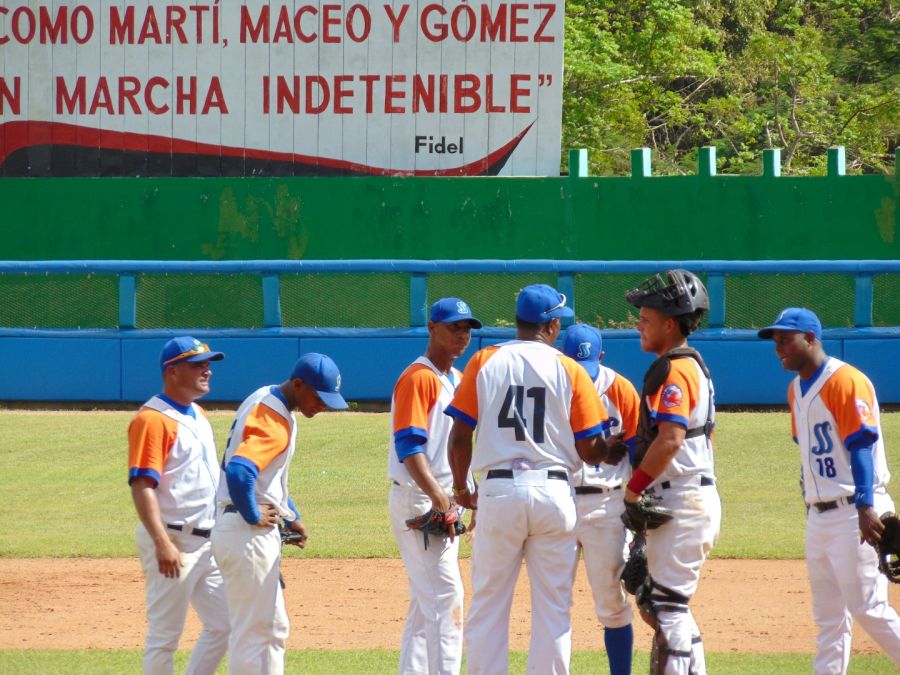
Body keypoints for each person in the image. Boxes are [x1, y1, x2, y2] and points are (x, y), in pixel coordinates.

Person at [446, 284, 623, 675]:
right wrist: (610, 449)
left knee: (488, 605)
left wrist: (462, 489)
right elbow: (590, 448)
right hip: (555, 494)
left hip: (499, 490)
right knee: (554, 609)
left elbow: (459, 437)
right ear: (552, 325)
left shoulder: (484, 360)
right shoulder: (570, 369)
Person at [758, 307, 900, 673]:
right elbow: (806, 448)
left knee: (869, 608)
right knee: (830, 620)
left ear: (810, 338)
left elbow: (862, 446)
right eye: (776, 342)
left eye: (785, 340)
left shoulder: (845, 381)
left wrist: (867, 508)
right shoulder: (796, 389)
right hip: (820, 517)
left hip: (856, 511)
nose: (779, 348)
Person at [210, 353, 348, 674]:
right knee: (252, 635)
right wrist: (252, 513)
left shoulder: (266, 397)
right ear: (298, 384)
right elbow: (241, 471)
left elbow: (264, 479)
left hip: (241, 531)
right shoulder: (275, 419)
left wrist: (289, 514)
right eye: (319, 397)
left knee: (273, 629)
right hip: (245, 535)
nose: (323, 406)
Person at [622, 269, 721, 675]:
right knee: (662, 603)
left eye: (645, 319)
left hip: (681, 498)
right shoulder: (693, 366)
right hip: (688, 496)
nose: (638, 326)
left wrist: (633, 491)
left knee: (666, 608)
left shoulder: (675, 370)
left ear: (668, 323)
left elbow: (670, 439)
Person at [388, 297, 482, 675]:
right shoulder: (419, 377)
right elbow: (409, 446)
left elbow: (461, 446)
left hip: (443, 500)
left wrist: (466, 496)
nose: (461, 335)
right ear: (431, 329)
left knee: (425, 602)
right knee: (446, 598)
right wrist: (440, 498)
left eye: (466, 329)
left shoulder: (456, 380)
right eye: (453, 327)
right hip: (420, 499)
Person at [127, 336, 230, 675]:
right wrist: (161, 543)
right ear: (172, 372)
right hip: (174, 542)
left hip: (207, 541)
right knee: (164, 638)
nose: (207, 371)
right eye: (198, 365)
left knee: (226, 624)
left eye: (208, 364)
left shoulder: (198, 413)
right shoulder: (153, 419)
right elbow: (142, 485)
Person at [561, 323, 640, 675]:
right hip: (557, 503)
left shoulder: (621, 388)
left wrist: (641, 514)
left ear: (602, 357)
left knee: (611, 602)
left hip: (606, 505)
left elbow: (640, 450)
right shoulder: (552, 385)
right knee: (553, 602)